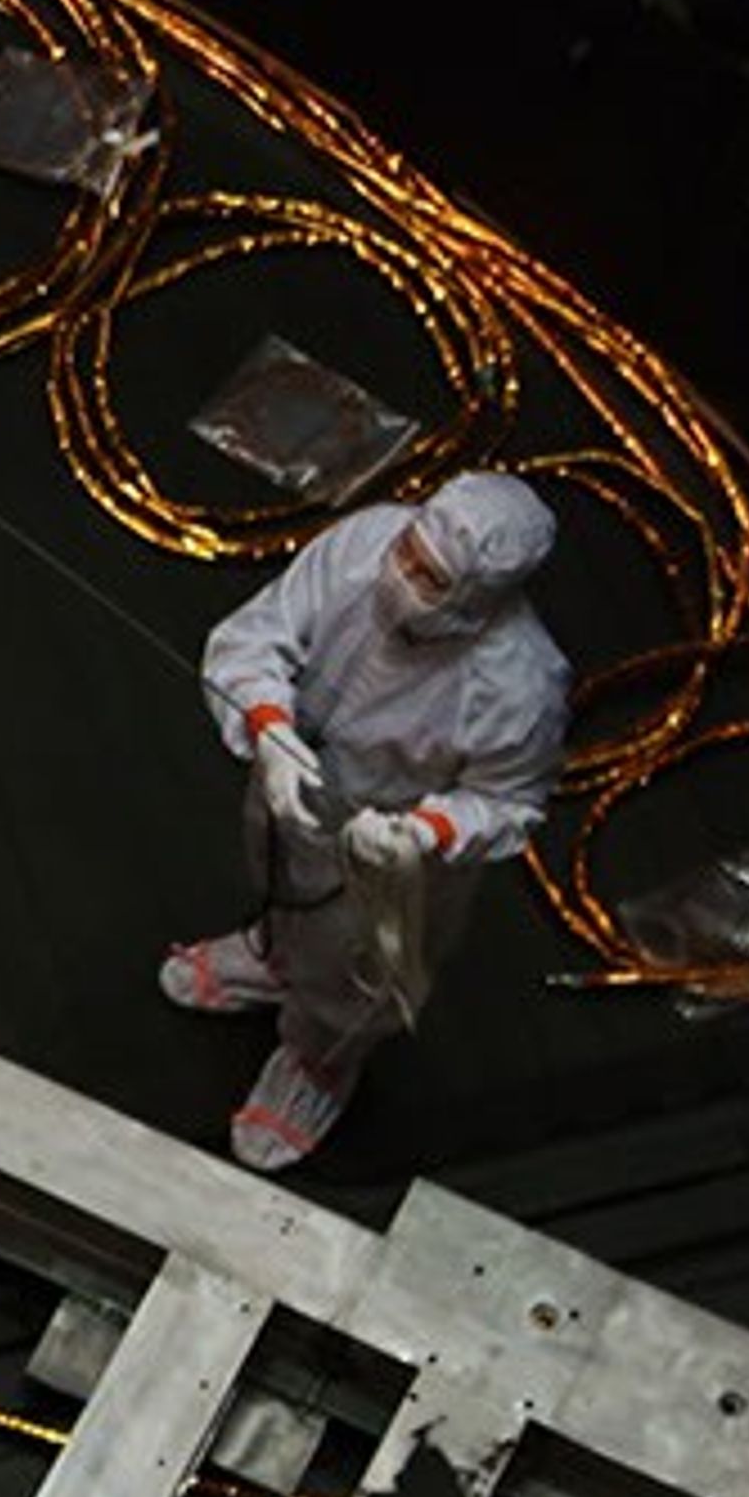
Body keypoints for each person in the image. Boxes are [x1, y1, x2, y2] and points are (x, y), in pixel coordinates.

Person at [165, 468, 576, 1170]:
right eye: (408, 549)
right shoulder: (365, 542)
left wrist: (425, 833)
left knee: (353, 972)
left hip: (388, 853)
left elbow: (508, 801)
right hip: (295, 775)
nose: (401, 573)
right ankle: (271, 956)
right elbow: (259, 634)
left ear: (477, 598)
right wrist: (269, 728)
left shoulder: (518, 684)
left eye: (430, 576)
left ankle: (318, 1063)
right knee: (275, 876)